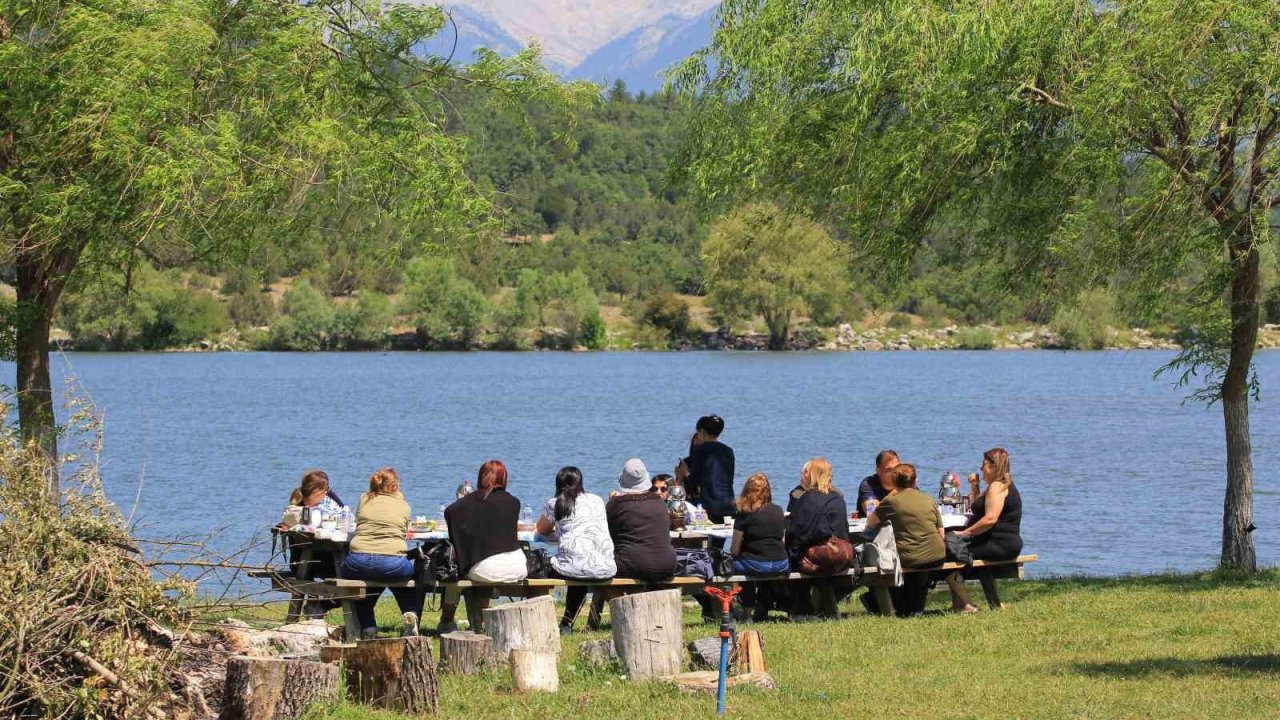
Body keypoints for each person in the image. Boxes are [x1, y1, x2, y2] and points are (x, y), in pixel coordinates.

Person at [438, 460, 527, 634]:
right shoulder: (514, 503)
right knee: (479, 567)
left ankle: (447, 621)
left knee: (456, 575)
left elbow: (450, 512)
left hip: (486, 569)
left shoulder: (465, 504)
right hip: (517, 566)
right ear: (504, 478)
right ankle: (479, 621)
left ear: (480, 477)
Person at [338, 468, 421, 639]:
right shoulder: (403, 505)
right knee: (403, 578)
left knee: (365, 582)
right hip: (393, 563)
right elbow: (404, 530)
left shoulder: (364, 499)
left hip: (358, 560)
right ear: (395, 486)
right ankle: (410, 612)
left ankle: (368, 626)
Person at [535, 467, 616, 632]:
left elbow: (541, 529)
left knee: (540, 568)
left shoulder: (554, 503)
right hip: (606, 566)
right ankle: (566, 623)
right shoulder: (597, 500)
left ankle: (541, 623)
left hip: (576, 567)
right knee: (578, 566)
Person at [946, 448, 1023, 613]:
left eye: (984, 466)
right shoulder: (1000, 484)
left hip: (998, 543)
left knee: (948, 551)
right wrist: (975, 487)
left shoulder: (997, 486)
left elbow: (990, 518)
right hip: (1000, 542)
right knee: (952, 543)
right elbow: (978, 509)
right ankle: (962, 603)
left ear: (994, 467)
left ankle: (964, 604)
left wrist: (965, 533)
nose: (981, 470)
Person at [865, 463, 944, 616]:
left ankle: (891, 606)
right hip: (937, 555)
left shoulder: (891, 502)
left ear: (894, 483)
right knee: (918, 557)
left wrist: (890, 495)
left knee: (881, 557)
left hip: (910, 558)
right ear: (915, 481)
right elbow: (941, 533)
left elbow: (871, 522)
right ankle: (914, 608)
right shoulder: (928, 499)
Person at [785, 458, 851, 618]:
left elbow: (798, 533)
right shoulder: (838, 498)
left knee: (795, 560)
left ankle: (801, 608)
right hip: (841, 557)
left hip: (818, 559)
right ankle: (825, 607)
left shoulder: (806, 499)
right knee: (822, 575)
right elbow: (843, 530)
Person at [730, 472, 790, 621]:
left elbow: (734, 549)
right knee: (758, 566)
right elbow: (782, 541)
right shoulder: (778, 510)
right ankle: (763, 607)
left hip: (757, 564)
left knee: (739, 566)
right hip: (781, 563)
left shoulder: (744, 514)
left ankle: (746, 611)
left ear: (747, 491)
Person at [607, 458, 677, 580]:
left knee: (597, 571)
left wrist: (612, 502)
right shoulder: (660, 503)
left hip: (632, 566)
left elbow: (606, 533)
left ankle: (598, 598)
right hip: (667, 565)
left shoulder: (617, 504)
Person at [676, 415, 736, 523]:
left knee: (705, 537)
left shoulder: (701, 450)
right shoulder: (728, 450)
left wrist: (684, 472)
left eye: (698, 433)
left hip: (710, 507)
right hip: (729, 505)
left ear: (702, 431)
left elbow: (694, 481)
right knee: (718, 538)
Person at [856, 450, 899, 517]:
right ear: (878, 471)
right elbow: (872, 514)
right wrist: (896, 491)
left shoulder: (905, 483)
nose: (894, 473)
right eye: (889, 470)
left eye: (896, 468)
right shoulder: (868, 484)